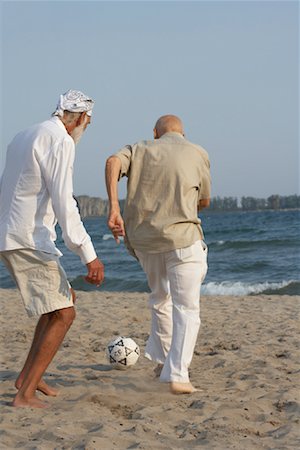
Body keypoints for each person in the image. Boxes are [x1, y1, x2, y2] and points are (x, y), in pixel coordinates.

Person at [0, 89, 104, 408]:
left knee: (61, 301)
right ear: (82, 119)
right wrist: (89, 254)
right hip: (27, 238)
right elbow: (64, 202)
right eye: (89, 121)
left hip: (13, 232)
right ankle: (25, 393)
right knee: (64, 314)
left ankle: (27, 378)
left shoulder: (25, 134)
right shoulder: (60, 141)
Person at [105, 114, 211, 394]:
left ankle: (163, 363)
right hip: (183, 239)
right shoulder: (198, 152)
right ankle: (177, 375)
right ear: (183, 134)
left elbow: (112, 162)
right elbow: (205, 200)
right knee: (186, 308)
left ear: (155, 133)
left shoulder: (139, 148)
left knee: (160, 298)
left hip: (146, 242)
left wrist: (114, 207)